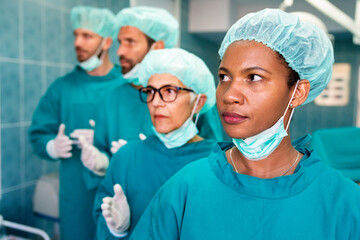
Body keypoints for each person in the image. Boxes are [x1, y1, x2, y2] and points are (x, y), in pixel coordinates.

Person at [131, 9, 360, 239]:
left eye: (254, 78)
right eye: (224, 77)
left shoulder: (343, 203)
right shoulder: (186, 189)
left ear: (298, 92)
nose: (230, 95)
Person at [80, 6, 224, 186]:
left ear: (158, 46)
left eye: (130, 42)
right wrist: (104, 164)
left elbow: (212, 165)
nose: (120, 51)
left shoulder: (193, 99)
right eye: (120, 42)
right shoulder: (111, 97)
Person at [92, 48, 217, 239]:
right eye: (150, 92)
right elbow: (102, 219)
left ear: (198, 102)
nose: (156, 102)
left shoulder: (217, 162)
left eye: (169, 91)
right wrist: (117, 231)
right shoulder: (127, 157)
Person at [28, 6, 123, 240]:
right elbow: (39, 133)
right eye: (76, 35)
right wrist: (51, 145)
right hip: (76, 193)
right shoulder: (63, 87)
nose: (78, 42)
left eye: (87, 36)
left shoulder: (126, 86)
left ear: (107, 41)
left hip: (119, 189)